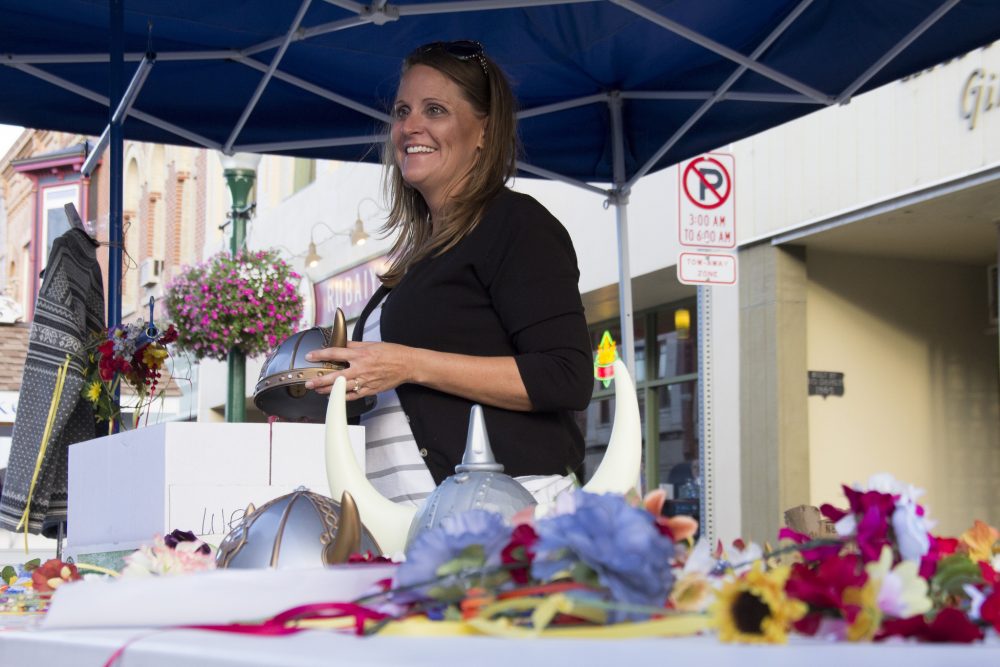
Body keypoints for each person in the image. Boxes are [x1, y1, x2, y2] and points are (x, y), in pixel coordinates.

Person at [304, 40, 592, 506]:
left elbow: (566, 375)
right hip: (422, 527)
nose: (410, 126)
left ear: (484, 130)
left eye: (434, 110)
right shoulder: (421, 255)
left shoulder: (516, 225)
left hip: (498, 520)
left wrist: (408, 363)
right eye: (402, 111)